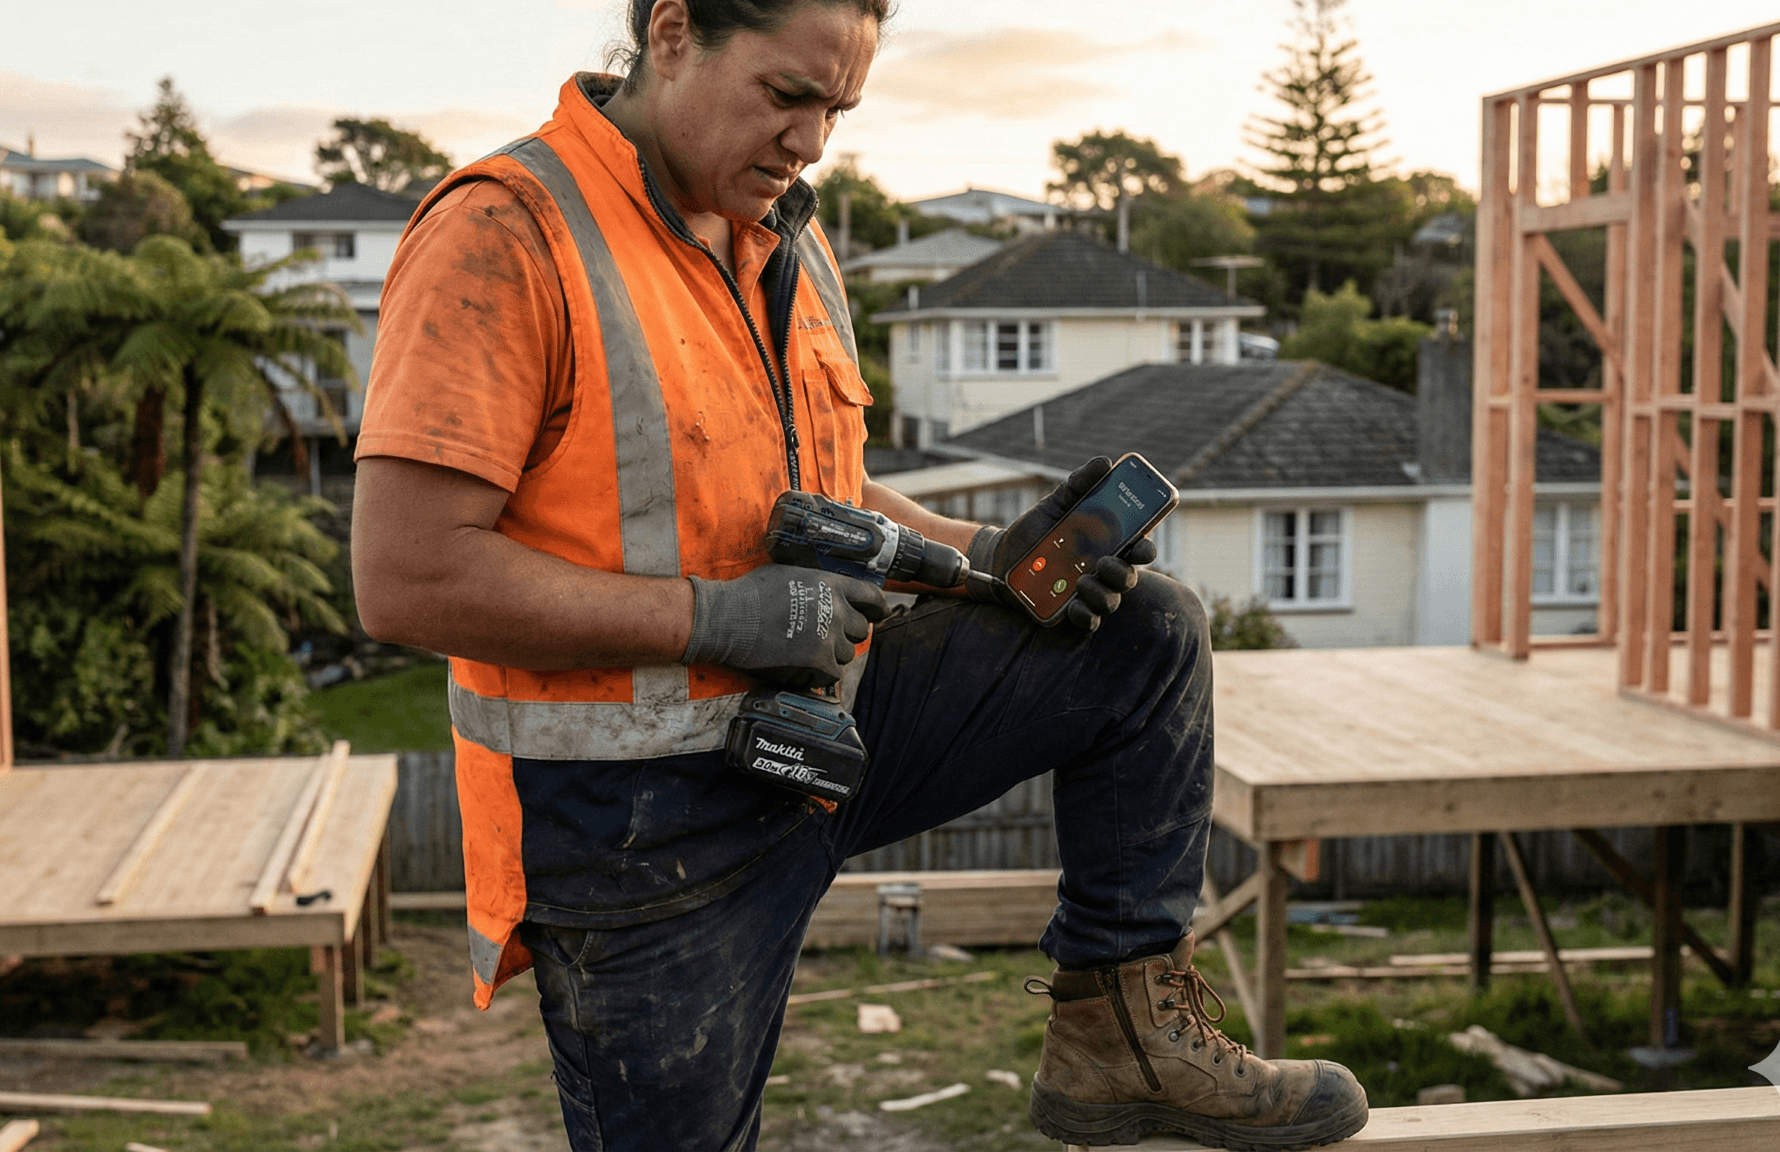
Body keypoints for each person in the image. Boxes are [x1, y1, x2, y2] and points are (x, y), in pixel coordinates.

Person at [350, 1, 1369, 1148]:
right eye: (788, 96)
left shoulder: (780, 230)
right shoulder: (507, 233)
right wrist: (714, 618)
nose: (813, 141)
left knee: (1144, 636)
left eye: (838, 108)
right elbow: (407, 579)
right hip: (635, 819)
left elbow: (815, 492)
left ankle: (1116, 1039)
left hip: (819, 727)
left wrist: (977, 560)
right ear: (674, 30)